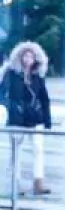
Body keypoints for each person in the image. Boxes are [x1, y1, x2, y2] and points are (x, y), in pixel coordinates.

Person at [3, 40, 53, 196]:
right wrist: (10, 107)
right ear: (20, 57)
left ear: (36, 58)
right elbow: (2, 93)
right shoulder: (11, 73)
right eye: (25, 56)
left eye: (31, 56)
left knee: (38, 149)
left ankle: (38, 183)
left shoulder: (38, 76)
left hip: (34, 117)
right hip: (16, 118)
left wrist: (47, 119)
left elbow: (44, 98)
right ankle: (15, 185)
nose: (28, 59)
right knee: (16, 152)